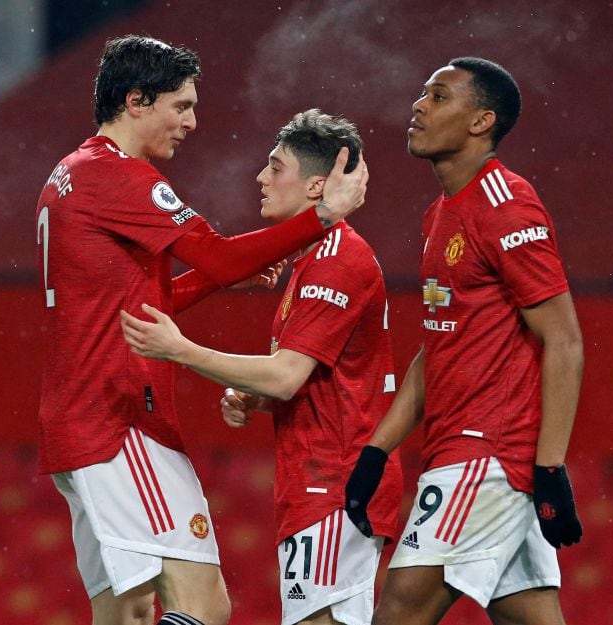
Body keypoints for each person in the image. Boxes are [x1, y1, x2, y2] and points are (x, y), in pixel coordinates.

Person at [36, 35, 368, 625]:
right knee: (205, 605)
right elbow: (215, 256)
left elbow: (142, 302)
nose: (192, 121)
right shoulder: (119, 176)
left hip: (77, 420)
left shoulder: (71, 172)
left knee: (128, 612)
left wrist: (219, 281)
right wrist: (322, 217)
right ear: (137, 101)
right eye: (181, 105)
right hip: (117, 424)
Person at [119, 109, 403, 625]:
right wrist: (258, 395)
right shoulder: (313, 258)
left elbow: (287, 373)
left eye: (276, 167)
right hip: (316, 481)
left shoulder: (337, 259)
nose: (261, 177)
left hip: (334, 484)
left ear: (318, 185)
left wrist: (180, 349)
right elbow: (311, 378)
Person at [343, 57, 584, 625]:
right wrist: (377, 450)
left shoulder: (507, 205)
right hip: (464, 448)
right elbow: (441, 343)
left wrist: (548, 468)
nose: (418, 106)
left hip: (489, 452)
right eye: (423, 94)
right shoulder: (440, 215)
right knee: (531, 616)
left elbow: (566, 339)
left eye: (439, 97)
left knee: (399, 613)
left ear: (482, 121)